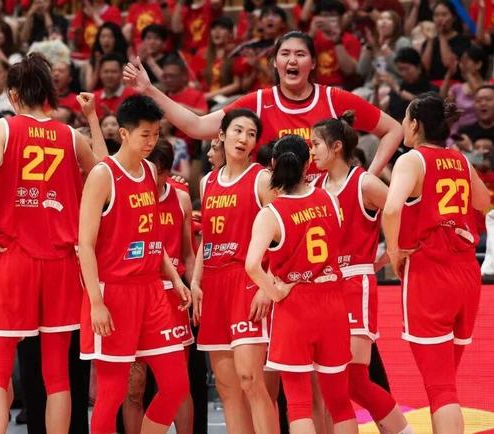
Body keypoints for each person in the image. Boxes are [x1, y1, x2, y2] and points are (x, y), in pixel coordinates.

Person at [0, 53, 108, 434]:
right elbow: (106, 172)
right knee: (57, 373)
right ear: (49, 93)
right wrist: (93, 119)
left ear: (13, 95)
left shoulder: (2, 128)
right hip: (62, 263)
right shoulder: (70, 135)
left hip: (13, 257)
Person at [123, 30, 402, 180]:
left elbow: (394, 130)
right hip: (275, 214)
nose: (292, 60)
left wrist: (365, 178)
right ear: (275, 63)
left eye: (300, 54)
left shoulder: (334, 98)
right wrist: (149, 90)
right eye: (285, 54)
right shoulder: (257, 102)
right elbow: (196, 126)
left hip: (328, 210)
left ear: (313, 63)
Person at [79, 94, 191, 434]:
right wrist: (96, 303)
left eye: (156, 134)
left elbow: (152, 236)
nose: (151, 141)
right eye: (145, 134)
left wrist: (175, 278)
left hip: (152, 290)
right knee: (112, 393)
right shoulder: (102, 175)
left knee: (176, 386)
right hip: (114, 292)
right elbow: (85, 245)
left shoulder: (151, 170)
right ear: (124, 134)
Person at [382, 93, 489, 434]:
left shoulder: (412, 160)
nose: (402, 125)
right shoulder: (460, 159)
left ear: (415, 124)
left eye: (405, 119)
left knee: (440, 389)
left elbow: (392, 209)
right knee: (446, 387)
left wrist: (395, 252)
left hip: (431, 273)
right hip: (467, 274)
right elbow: (483, 201)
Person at [245, 134, 357, 434]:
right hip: (332, 303)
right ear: (308, 164)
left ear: (273, 164)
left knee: (298, 405)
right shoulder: (330, 199)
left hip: (295, 308)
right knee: (340, 403)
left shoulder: (271, 214)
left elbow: (252, 265)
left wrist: (275, 292)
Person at [310, 113, 412, 433]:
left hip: (355, 282)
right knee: (333, 381)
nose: (311, 151)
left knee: (354, 379)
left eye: (316, 144)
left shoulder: (364, 182)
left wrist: (388, 255)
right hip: (324, 288)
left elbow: (403, 212)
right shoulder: (315, 187)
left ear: (336, 147)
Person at [190, 109, 276, 434]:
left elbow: (284, 235)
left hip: (246, 283)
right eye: (238, 131)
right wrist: (196, 281)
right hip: (213, 285)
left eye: (251, 134)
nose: (244, 139)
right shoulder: (207, 181)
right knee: (227, 388)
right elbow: (207, 238)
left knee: (250, 379)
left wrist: (267, 286)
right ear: (222, 135)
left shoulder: (262, 179)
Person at [121, 139, 196, 434]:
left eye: (162, 172)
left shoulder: (181, 198)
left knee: (178, 384)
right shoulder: (127, 195)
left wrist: (194, 286)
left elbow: (188, 253)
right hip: (136, 292)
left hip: (173, 296)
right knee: (134, 385)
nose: (156, 177)